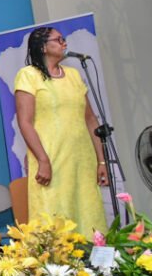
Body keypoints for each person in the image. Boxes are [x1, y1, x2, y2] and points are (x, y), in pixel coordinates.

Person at [14, 26, 108, 234]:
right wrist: (43, 160)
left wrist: (101, 161)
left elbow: (91, 120)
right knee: (54, 219)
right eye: (59, 39)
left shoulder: (74, 75)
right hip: (51, 160)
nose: (64, 42)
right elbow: (25, 122)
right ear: (43, 47)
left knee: (88, 216)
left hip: (82, 161)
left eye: (64, 39)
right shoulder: (28, 75)